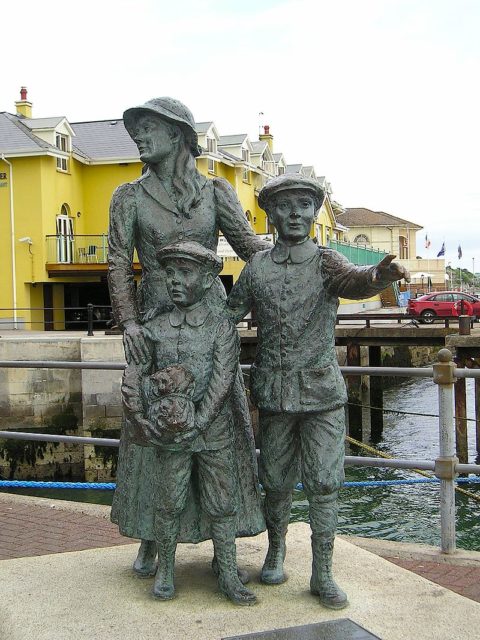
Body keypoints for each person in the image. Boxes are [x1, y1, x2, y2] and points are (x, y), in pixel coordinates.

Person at [227, 174, 410, 609]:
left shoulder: (326, 262)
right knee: (275, 482)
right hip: (274, 394)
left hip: (322, 394)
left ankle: (322, 572)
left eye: (304, 206)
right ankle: (275, 552)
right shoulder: (257, 269)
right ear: (270, 215)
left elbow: (356, 281)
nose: (295, 214)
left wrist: (381, 273)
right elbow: (225, 316)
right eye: (285, 206)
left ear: (314, 213)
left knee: (326, 483)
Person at [108, 97, 267, 577]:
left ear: (178, 134)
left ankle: (226, 540)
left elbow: (251, 250)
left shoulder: (216, 191)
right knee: (151, 429)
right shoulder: (128, 196)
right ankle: (152, 536)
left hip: (208, 325)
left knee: (219, 424)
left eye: (149, 127)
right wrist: (130, 322)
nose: (139, 137)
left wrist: (289, 257)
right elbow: (117, 262)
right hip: (155, 325)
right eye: (137, 129)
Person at [121, 241, 257, 605]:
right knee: (169, 502)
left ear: (209, 277)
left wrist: (198, 421)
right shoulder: (154, 327)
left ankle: (228, 572)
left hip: (213, 433)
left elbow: (222, 381)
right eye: (170, 272)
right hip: (170, 436)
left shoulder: (220, 327)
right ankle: (166, 570)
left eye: (186, 272)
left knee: (222, 502)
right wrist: (142, 413)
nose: (175, 280)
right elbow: (134, 374)